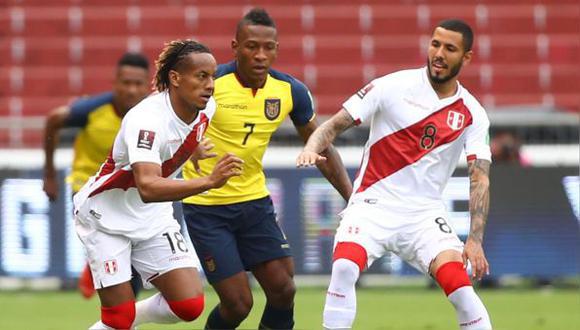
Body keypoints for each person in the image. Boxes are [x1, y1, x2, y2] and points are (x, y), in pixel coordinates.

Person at [297, 19, 493, 330]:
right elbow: (332, 125)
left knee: (460, 289)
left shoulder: (472, 113)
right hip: (373, 204)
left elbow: (479, 176)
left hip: (423, 214)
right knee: (345, 267)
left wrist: (475, 239)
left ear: (466, 57)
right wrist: (311, 146)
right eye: (435, 44)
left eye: (450, 48)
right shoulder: (392, 86)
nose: (439, 53)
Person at [181, 8, 353, 330]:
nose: (260, 55)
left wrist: (352, 198)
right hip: (207, 207)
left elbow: (321, 147)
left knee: (283, 289)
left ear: (276, 49)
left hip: (254, 203)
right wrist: (187, 153)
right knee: (238, 304)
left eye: (268, 47)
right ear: (235, 47)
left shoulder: (289, 91)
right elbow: (170, 128)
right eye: (251, 46)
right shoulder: (212, 84)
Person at [74, 39, 244, 330]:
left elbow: (177, 139)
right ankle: (121, 322)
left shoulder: (206, 108)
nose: (210, 85)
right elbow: (149, 187)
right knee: (117, 318)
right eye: (201, 76)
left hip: (152, 218)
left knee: (189, 305)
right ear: (175, 78)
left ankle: (130, 320)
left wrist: (192, 150)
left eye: (212, 76)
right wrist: (210, 181)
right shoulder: (146, 120)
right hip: (106, 216)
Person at [42, 52, 150, 299]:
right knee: (115, 246)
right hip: (88, 187)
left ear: (147, 86)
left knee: (131, 266)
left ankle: (97, 265)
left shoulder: (152, 114)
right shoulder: (91, 110)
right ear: (115, 83)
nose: (132, 90)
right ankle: (96, 259)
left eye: (138, 84)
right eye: (126, 83)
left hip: (126, 193)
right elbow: (53, 119)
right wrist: (49, 174)